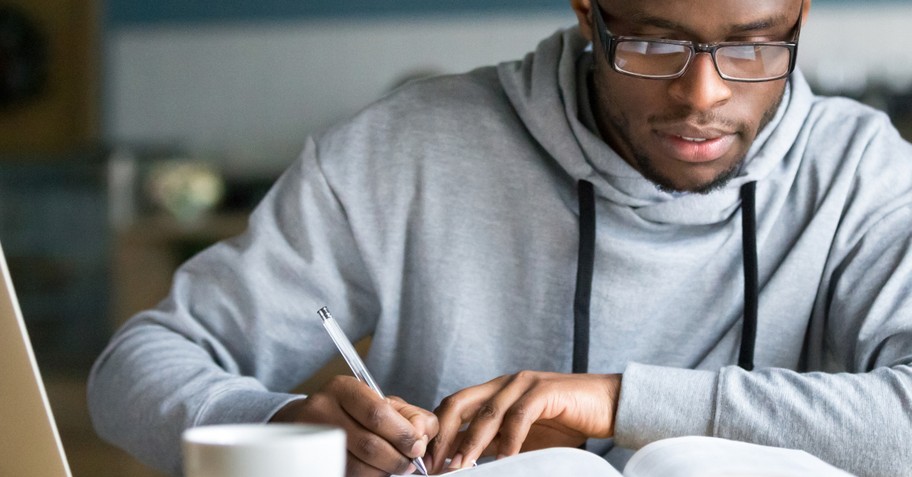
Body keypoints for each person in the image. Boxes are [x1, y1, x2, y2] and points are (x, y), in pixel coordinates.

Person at [88, 0, 912, 476]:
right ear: (589, 13)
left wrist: (618, 400)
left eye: (752, 43)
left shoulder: (858, 167)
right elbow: (137, 365)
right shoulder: (404, 147)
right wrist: (280, 426)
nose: (703, 95)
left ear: (799, 14)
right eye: (655, 42)